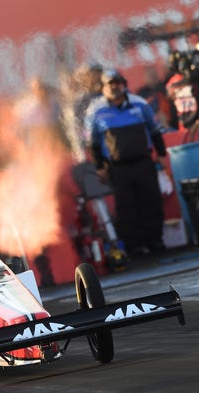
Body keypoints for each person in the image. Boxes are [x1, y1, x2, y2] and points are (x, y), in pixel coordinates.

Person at [85, 69, 168, 257]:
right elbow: (93, 143)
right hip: (117, 167)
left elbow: (154, 130)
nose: (115, 87)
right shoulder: (96, 111)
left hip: (143, 162)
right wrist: (99, 167)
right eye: (110, 83)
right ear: (103, 87)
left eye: (118, 82)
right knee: (126, 206)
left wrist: (161, 155)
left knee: (151, 201)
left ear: (124, 84)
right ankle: (135, 246)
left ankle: (156, 241)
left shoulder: (139, 103)